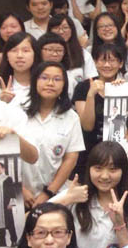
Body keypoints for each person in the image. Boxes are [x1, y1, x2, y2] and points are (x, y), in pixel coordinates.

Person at [51, 141, 128, 248]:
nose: (104, 176)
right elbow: (34, 217)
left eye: (113, 169)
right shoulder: (74, 196)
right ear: (89, 169)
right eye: (98, 168)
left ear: (123, 171)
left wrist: (120, 225)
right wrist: (67, 199)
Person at [21, 62, 85, 210]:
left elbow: (70, 159)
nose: (50, 83)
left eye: (57, 79)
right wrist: (19, 189)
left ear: (64, 85)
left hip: (54, 194)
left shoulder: (71, 117)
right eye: (44, 78)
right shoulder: (18, 110)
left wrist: (48, 192)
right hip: (18, 193)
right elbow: (6, 154)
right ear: (35, 81)